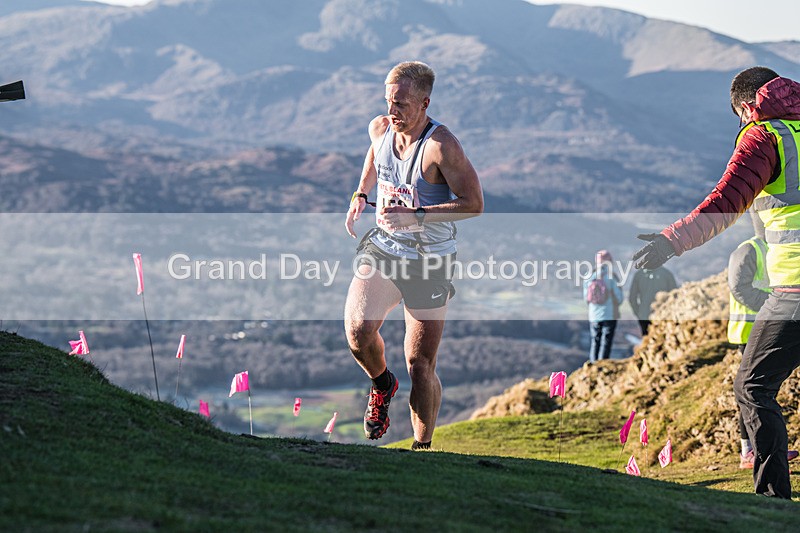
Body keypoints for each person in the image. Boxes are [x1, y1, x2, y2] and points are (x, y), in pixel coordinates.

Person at [632, 67, 800, 498]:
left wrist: (672, 241)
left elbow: (726, 201)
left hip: (794, 289)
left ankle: (774, 499)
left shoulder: (765, 136)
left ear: (746, 106)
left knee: (753, 386)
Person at [343, 61, 483, 450]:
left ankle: (422, 451)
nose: (392, 111)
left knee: (419, 365)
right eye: (389, 101)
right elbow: (375, 156)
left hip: (430, 259)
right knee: (358, 331)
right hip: (385, 247)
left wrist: (416, 215)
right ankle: (381, 383)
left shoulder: (441, 147)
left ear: (424, 103)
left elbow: (474, 204)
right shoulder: (380, 128)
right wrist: (361, 194)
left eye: (401, 104)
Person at [726, 212, 799, 468]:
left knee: (760, 392)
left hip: (776, 326)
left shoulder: (779, 246)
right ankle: (749, 451)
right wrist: (773, 308)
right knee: (751, 390)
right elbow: (739, 288)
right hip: (749, 331)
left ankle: (767, 448)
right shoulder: (749, 250)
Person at [583, 250, 624, 363]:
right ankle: (602, 365)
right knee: (606, 341)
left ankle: (593, 364)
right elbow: (619, 298)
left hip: (594, 315)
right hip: (609, 314)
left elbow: (586, 298)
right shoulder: (611, 277)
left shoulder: (589, 276)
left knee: (595, 341)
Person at [628, 266, 678, 336]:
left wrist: (638, 313)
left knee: (647, 339)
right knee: (662, 339)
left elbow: (632, 297)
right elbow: (675, 296)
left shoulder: (639, 275)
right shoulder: (666, 274)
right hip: (662, 316)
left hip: (645, 316)